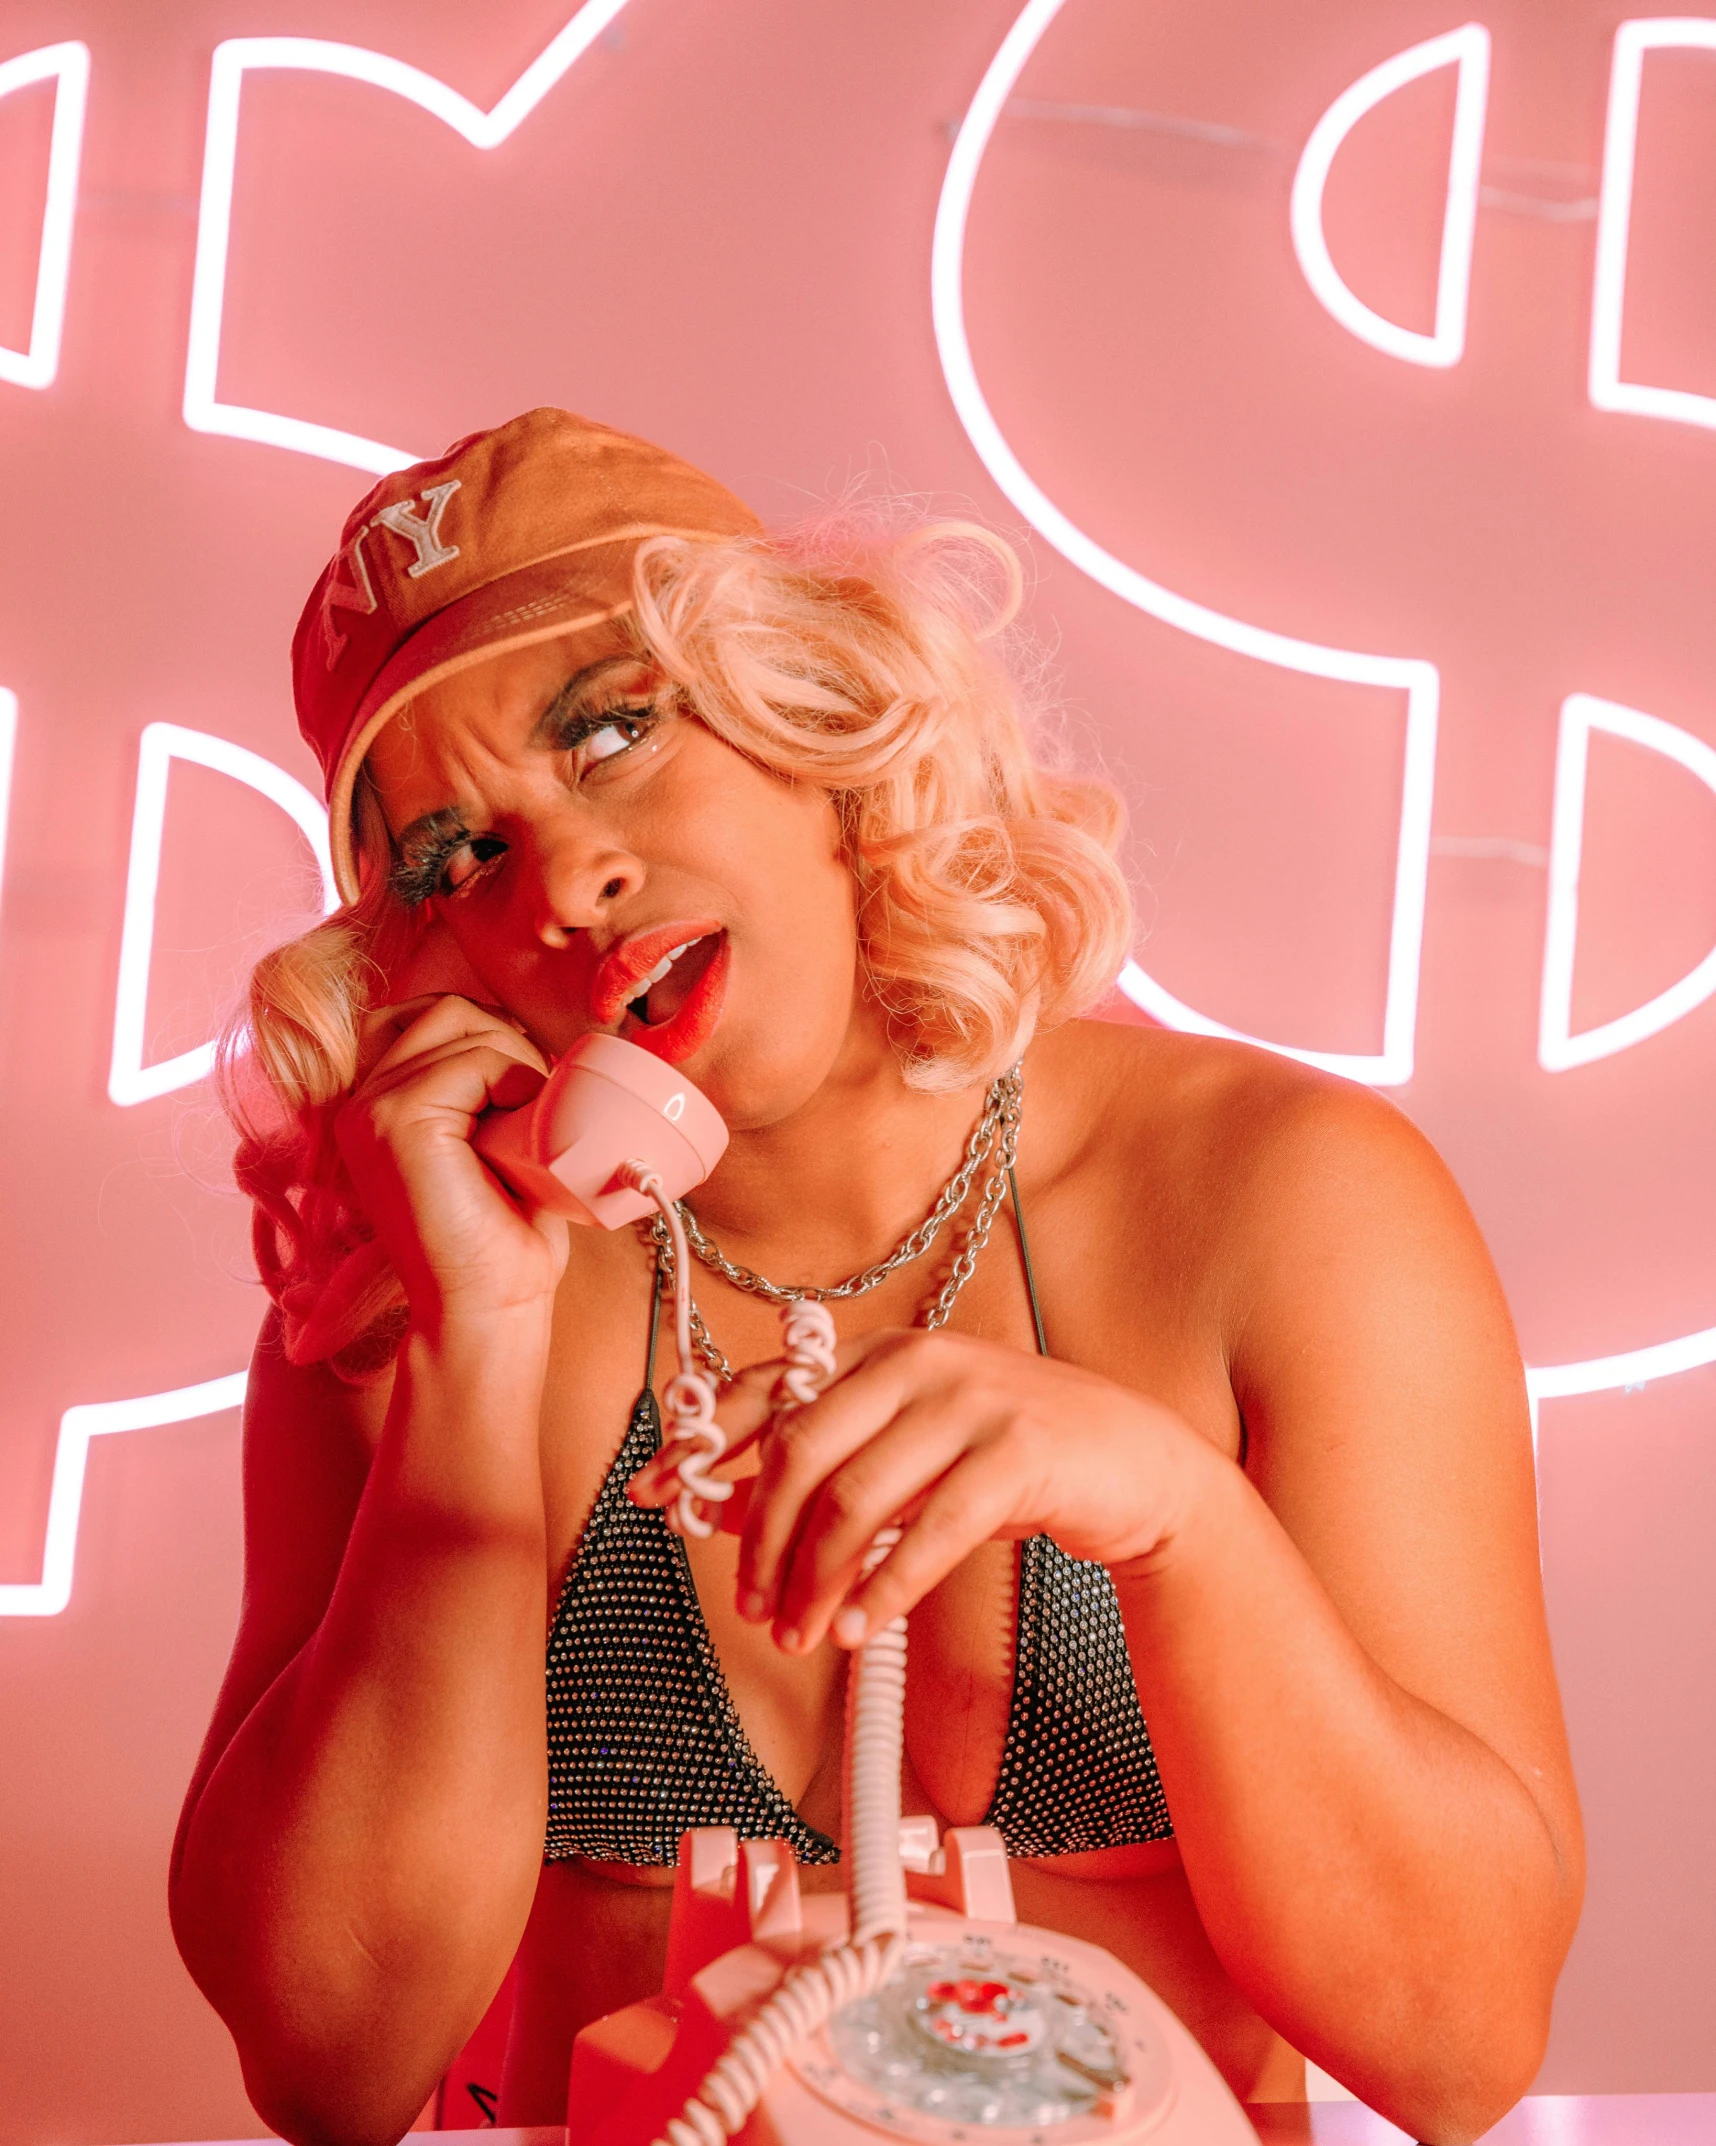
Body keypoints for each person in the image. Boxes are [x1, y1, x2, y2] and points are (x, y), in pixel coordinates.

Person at [168, 408, 1581, 2146]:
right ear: (430, 957)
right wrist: (473, 1355)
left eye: (613, 730)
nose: (565, 880)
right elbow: (329, 2062)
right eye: (456, 853)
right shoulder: (418, 1295)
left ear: (818, 725)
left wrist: (1179, 1519)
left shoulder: (1285, 1201)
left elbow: (1463, 2044)